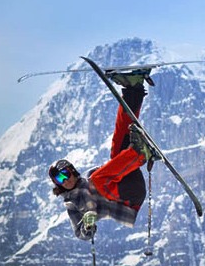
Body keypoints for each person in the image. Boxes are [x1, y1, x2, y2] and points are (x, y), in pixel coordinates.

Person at [48, 72, 157, 241]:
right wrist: (87, 225)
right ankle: (140, 154)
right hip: (129, 198)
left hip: (128, 182)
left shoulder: (88, 178)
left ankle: (133, 89)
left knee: (118, 147)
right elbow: (81, 234)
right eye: (59, 179)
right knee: (97, 180)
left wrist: (121, 157)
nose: (65, 180)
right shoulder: (72, 203)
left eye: (66, 174)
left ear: (73, 171)